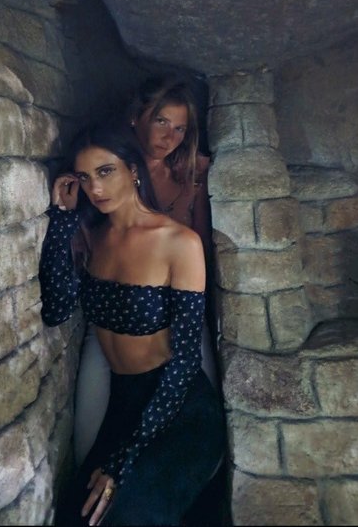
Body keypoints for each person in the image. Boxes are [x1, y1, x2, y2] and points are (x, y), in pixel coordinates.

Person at [39, 122, 225, 526]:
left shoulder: (179, 242)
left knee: (128, 515)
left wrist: (122, 460)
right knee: (76, 517)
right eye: (84, 177)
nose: (95, 188)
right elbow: (56, 310)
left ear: (133, 170)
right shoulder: (93, 235)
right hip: (124, 404)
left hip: (178, 408)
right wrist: (62, 219)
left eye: (106, 171)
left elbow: (185, 361)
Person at [74, 76, 219, 469]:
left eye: (181, 129)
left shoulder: (190, 175)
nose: (170, 137)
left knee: (188, 400)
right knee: (87, 449)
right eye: (162, 122)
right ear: (136, 118)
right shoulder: (103, 171)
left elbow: (200, 245)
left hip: (170, 310)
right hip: (110, 318)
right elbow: (81, 263)